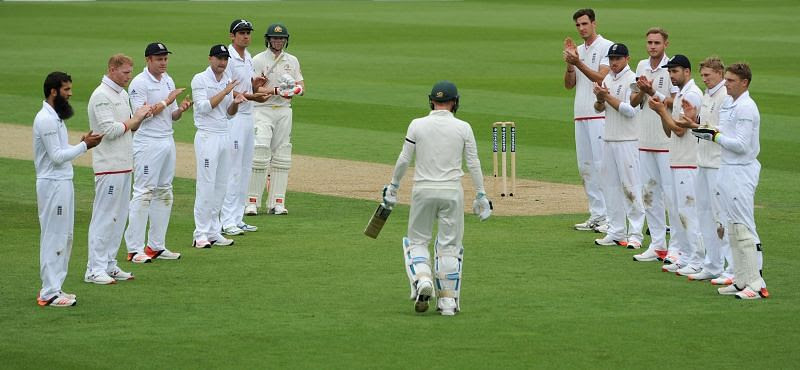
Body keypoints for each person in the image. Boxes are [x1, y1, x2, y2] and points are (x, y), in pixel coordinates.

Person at [383, 81, 491, 316]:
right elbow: (473, 162)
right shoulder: (464, 127)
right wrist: (481, 194)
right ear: (454, 102)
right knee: (449, 247)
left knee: (417, 242)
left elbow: (404, 159)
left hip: (422, 191)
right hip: (452, 192)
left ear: (431, 100)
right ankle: (447, 303)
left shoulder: (417, 125)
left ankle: (423, 279)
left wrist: (393, 186)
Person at [689, 63, 769, 299]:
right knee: (732, 226)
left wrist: (715, 136)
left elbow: (741, 145)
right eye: (726, 79)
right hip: (725, 167)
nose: (726, 83)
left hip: (742, 170)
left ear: (744, 83)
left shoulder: (746, 107)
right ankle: (741, 279)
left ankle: (757, 283)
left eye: (731, 80)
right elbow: (723, 132)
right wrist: (706, 130)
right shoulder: (729, 103)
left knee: (744, 227)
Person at [34, 72, 103, 307]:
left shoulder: (55, 117)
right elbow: (56, 157)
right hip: (53, 184)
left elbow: (61, 150)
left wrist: (80, 142)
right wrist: (85, 145)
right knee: (54, 235)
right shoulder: (45, 120)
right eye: (66, 90)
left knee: (66, 235)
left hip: (62, 182)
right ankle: (49, 292)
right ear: (53, 91)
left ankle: (56, 287)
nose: (70, 94)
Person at [84, 54, 152, 285]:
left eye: (130, 73)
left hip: (124, 165)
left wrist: (141, 117)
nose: (128, 77)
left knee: (119, 217)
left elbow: (130, 128)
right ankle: (94, 269)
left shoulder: (121, 94)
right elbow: (109, 131)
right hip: (108, 167)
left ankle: (109, 264)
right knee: (104, 218)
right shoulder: (101, 96)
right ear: (112, 69)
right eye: (125, 73)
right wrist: (136, 119)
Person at [125, 42, 192, 263]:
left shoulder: (168, 79)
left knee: (164, 191)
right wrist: (167, 100)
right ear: (148, 60)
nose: (163, 62)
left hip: (166, 140)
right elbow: (141, 114)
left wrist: (180, 109)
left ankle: (156, 246)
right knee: (143, 192)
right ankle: (134, 249)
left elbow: (171, 115)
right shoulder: (139, 83)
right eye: (159, 59)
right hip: (147, 143)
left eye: (165, 58)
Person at [675, 57, 734, 282]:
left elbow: (722, 131)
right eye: (703, 76)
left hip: (718, 164)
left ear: (719, 73)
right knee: (705, 215)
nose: (705, 79)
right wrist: (695, 118)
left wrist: (695, 124)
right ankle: (712, 265)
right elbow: (705, 125)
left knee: (720, 217)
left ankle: (731, 269)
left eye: (708, 75)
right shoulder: (707, 95)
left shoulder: (725, 97)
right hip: (703, 162)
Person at [647, 54, 704, 276]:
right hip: (678, 159)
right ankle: (687, 256)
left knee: (689, 212)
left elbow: (680, 130)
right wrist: (662, 113)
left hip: (689, 162)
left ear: (687, 72)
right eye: (670, 72)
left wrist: (662, 111)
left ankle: (697, 259)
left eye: (675, 71)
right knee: (680, 211)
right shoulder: (680, 94)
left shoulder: (692, 95)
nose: (672, 75)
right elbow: (669, 130)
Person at [191, 44, 248, 248]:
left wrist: (236, 102)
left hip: (224, 134)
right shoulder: (200, 79)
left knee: (220, 186)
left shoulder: (226, 79)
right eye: (218, 58)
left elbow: (229, 114)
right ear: (210, 59)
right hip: (207, 137)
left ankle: (214, 231)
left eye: (225, 59)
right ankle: (200, 234)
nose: (222, 62)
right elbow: (204, 107)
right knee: (206, 186)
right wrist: (226, 92)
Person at [563, 8, 614, 232]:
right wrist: (570, 64)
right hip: (580, 113)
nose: (581, 28)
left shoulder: (607, 47)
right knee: (586, 167)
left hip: (599, 114)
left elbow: (601, 78)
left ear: (594, 23)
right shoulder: (578, 50)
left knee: (603, 166)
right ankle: (597, 214)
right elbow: (569, 84)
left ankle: (612, 216)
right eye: (578, 25)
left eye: (584, 24)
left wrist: (578, 62)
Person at [629, 28, 677, 262]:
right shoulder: (641, 66)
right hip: (644, 139)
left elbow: (676, 101)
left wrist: (652, 90)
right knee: (649, 195)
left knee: (671, 196)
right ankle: (658, 245)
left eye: (657, 42)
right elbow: (634, 100)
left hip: (666, 141)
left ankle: (677, 248)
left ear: (666, 44)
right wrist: (641, 90)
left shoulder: (672, 69)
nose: (652, 46)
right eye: (649, 42)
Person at [246, 23, 305, 215]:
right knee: (260, 152)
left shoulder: (292, 60)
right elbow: (254, 89)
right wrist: (277, 90)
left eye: (281, 38)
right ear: (268, 39)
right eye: (274, 38)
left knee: (281, 155)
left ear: (285, 40)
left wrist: (295, 89)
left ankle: (277, 202)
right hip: (262, 110)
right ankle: (251, 201)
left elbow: (301, 85)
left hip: (284, 110)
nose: (278, 41)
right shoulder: (258, 60)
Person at [590, 44, 645, 249]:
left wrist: (607, 97)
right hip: (609, 139)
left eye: (618, 58)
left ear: (627, 59)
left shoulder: (633, 80)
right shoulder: (607, 79)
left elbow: (630, 111)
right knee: (611, 187)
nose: (614, 62)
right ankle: (616, 231)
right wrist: (599, 98)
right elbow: (598, 109)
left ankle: (636, 234)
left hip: (628, 141)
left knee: (631, 187)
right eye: (611, 58)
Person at [221, 19, 267, 236]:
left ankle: (237, 217)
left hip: (249, 116)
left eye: (248, 32)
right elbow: (227, 90)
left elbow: (245, 86)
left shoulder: (248, 57)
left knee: (245, 168)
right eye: (241, 33)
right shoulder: (227, 59)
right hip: (234, 117)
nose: (246, 36)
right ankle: (226, 219)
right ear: (232, 35)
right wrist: (254, 95)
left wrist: (255, 85)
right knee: (233, 169)